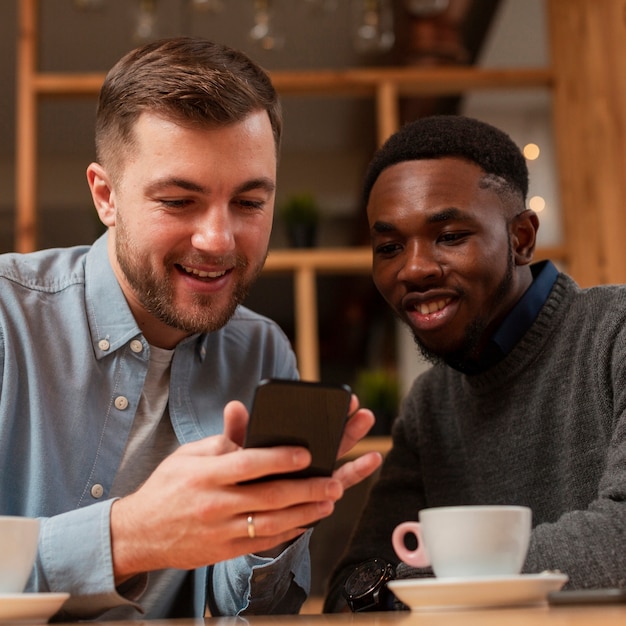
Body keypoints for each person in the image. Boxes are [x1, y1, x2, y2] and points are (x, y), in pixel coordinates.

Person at [0, 37, 382, 620]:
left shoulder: (261, 350)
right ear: (106, 195)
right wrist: (131, 534)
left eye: (249, 204)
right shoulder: (8, 317)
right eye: (179, 201)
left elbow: (267, 612)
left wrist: (273, 531)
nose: (219, 241)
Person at [324, 114, 626, 612]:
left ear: (522, 238)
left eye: (449, 236)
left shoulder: (614, 333)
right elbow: (349, 592)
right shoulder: (431, 405)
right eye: (389, 247)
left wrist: (423, 579)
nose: (414, 268)